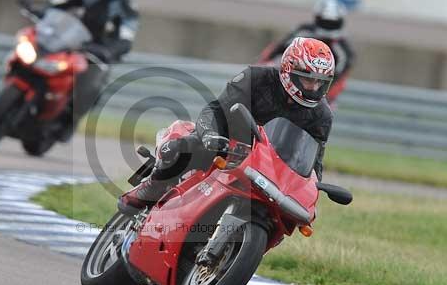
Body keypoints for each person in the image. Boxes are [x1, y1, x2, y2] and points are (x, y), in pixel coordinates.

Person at [118, 37, 335, 214]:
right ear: (289, 69)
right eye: (308, 79)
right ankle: (152, 186)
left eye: (320, 82)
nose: (313, 87)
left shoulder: (322, 115)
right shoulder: (256, 77)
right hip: (228, 138)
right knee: (184, 149)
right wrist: (210, 135)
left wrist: (309, 189)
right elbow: (218, 110)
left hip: (269, 164)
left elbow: (314, 161)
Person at [47, 0, 140, 137]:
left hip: (97, 54)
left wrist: (110, 50)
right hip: (67, 42)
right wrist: (40, 10)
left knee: (92, 85)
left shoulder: (126, 6)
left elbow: (127, 37)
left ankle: (69, 120)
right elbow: (57, 4)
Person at [258, 0, 354, 108]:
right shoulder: (304, 31)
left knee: (325, 110)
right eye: (325, 21)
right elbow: (277, 49)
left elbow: (338, 79)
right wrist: (261, 68)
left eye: (333, 23)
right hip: (290, 82)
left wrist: (320, 97)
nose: (328, 25)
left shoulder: (344, 50)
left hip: (319, 94)